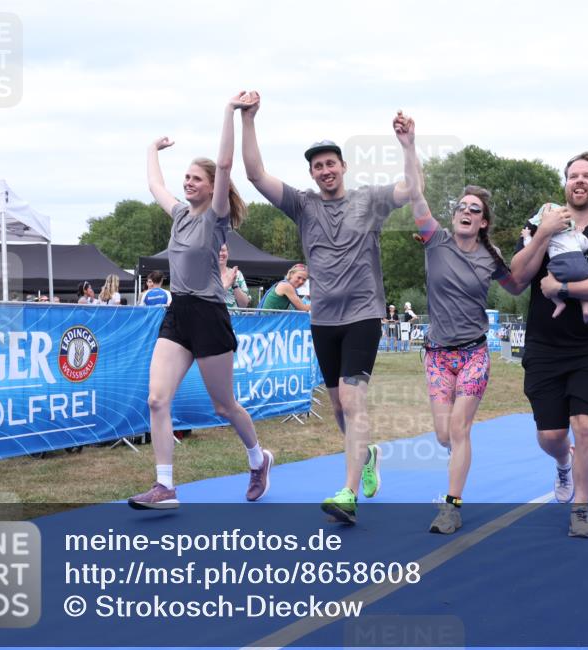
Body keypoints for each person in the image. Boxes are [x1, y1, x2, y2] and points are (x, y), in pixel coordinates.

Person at [241, 91, 413, 524]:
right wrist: (249, 119)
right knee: (339, 408)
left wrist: (408, 146)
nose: (325, 171)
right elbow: (255, 173)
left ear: (342, 166)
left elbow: (412, 188)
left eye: (330, 163)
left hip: (363, 315)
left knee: (354, 402)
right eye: (317, 166)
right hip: (323, 320)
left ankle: (348, 493)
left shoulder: (368, 201)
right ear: (313, 174)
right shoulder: (303, 206)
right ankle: (368, 453)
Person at [128, 91, 273, 510]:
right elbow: (155, 184)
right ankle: (164, 486)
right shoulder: (177, 215)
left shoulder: (215, 218)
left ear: (212, 189)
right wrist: (151, 149)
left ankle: (257, 457)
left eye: (196, 178)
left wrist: (229, 112)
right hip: (179, 313)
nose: (187, 182)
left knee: (223, 405)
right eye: (186, 177)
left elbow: (226, 164)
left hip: (210, 315)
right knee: (157, 398)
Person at [396, 112, 536, 533]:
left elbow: (516, 285)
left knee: (460, 428)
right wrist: (408, 145)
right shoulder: (434, 239)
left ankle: (452, 506)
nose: (466, 212)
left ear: (483, 221)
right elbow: (416, 194)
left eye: (475, 209)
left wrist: (541, 244)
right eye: (462, 207)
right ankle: (452, 489)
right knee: (443, 434)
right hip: (437, 356)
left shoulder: (491, 258)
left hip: (474, 352)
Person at [510, 151, 588, 539]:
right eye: (572, 176)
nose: (579, 181)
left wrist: (563, 287)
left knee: (586, 424)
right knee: (551, 436)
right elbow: (516, 280)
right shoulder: (541, 222)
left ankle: (581, 507)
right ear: (565, 183)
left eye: (587, 176)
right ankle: (563, 463)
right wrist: (544, 232)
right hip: (545, 346)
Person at [531, 204, 588, 324]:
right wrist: (579, 233)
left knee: (547, 283)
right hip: (581, 265)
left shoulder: (547, 237)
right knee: (587, 288)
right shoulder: (571, 233)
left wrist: (527, 236)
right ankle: (586, 310)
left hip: (560, 266)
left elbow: (531, 247)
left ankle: (559, 304)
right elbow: (585, 246)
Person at [219, 244, 250, 308]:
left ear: (228, 253)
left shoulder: (237, 274)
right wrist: (227, 284)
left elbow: (244, 305)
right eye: (217, 250)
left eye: (223, 250)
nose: (220, 253)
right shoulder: (205, 275)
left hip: (234, 318)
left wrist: (234, 284)